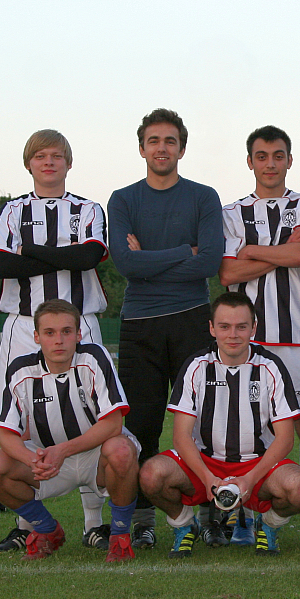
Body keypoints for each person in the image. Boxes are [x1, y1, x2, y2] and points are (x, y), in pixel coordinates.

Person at [0, 129, 111, 553]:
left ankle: (94, 523)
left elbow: (88, 256)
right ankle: (30, 524)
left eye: (57, 155)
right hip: (24, 325)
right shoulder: (12, 210)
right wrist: (61, 255)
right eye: (41, 156)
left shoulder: (87, 209)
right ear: (29, 163)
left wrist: (29, 252)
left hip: (80, 323)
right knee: (22, 420)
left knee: (89, 414)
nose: (49, 162)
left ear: (68, 163)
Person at [107, 108, 224, 549]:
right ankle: (142, 520)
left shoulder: (203, 197)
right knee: (141, 423)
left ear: (182, 148)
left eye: (170, 141)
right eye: (153, 141)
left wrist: (149, 260)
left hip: (193, 317)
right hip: (140, 322)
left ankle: (213, 513)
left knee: (204, 421)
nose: (162, 148)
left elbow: (209, 262)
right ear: (141, 148)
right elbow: (125, 264)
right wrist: (181, 252)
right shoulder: (123, 199)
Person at [138, 292, 300, 556]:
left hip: (257, 463)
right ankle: (184, 524)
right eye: (224, 326)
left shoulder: (271, 367)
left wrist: (249, 479)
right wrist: (208, 478)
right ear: (212, 328)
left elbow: (285, 439)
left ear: (253, 328)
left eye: (241, 327)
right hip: (206, 461)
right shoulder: (196, 366)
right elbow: (181, 437)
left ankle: (268, 525)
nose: (233, 335)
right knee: (151, 475)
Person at [220, 125, 300, 543]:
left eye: (278, 155)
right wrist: (283, 253)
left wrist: (250, 250)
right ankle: (247, 517)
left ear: (289, 160)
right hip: (247, 339)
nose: (270, 164)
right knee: (247, 427)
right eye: (262, 156)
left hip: (299, 335)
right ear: (250, 162)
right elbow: (228, 272)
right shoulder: (231, 212)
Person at [0, 300, 139, 562]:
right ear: (36, 337)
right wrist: (32, 460)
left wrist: (62, 451)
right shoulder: (21, 370)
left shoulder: (93, 357)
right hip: (49, 460)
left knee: (121, 449)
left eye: (66, 331)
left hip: (95, 456)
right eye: (49, 332)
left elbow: (113, 423)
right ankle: (47, 529)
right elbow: (6, 434)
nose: (59, 340)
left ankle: (120, 536)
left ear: (78, 334)